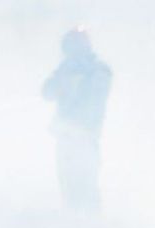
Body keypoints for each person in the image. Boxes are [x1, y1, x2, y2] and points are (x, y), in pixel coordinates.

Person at [41, 27, 111, 210]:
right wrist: (64, 78)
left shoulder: (98, 70)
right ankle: (72, 224)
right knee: (67, 186)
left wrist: (80, 79)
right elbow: (47, 92)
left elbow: (95, 97)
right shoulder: (65, 69)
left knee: (86, 187)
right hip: (65, 139)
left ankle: (92, 226)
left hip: (86, 139)